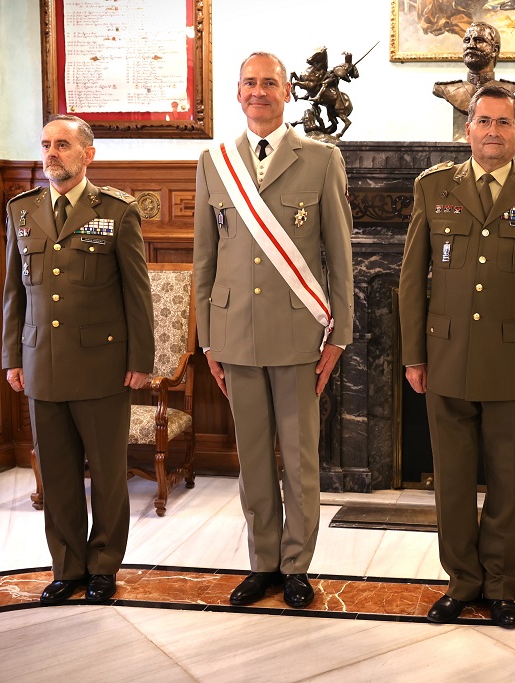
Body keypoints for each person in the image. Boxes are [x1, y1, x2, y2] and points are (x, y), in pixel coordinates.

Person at [399, 84, 515, 628]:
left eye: (504, 122)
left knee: (510, 481)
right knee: (450, 480)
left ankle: (501, 585)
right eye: (483, 121)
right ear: (467, 128)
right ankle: (461, 581)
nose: (493, 131)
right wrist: (413, 355)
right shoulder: (434, 188)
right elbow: (411, 278)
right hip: (447, 355)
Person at [193, 51, 354, 608]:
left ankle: (297, 566)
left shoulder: (320, 158)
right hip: (234, 332)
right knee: (254, 455)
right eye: (248, 84)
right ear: (238, 93)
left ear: (288, 92)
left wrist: (339, 334)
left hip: (297, 333)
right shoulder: (214, 160)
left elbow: (339, 254)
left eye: (269, 83)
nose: (258, 92)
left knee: (300, 457)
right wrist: (207, 337)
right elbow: (204, 256)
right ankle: (262, 562)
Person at [2, 115, 155, 605]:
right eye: (46, 144)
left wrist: (141, 359)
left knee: (108, 476)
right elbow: (13, 293)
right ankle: (67, 567)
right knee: (58, 474)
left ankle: (104, 566)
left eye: (62, 145)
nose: (52, 153)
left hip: (102, 365)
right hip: (40, 361)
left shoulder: (115, 210)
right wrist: (12, 355)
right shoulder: (22, 211)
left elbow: (138, 293)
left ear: (88, 154)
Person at [432, 22, 515, 116]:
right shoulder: (447, 89)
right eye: (467, 40)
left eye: (479, 40)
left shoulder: (507, 89)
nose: (471, 45)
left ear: (495, 50)